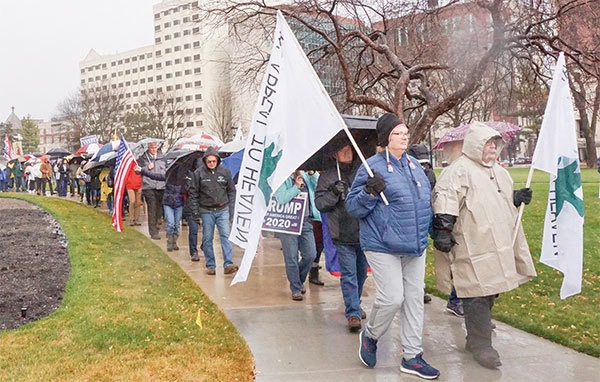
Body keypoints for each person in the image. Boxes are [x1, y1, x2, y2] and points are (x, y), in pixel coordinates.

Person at [431, 122, 537, 369]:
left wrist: (516, 197)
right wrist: (444, 230)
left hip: (498, 242)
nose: (491, 147)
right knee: (475, 292)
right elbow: (446, 199)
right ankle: (482, 345)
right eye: (487, 143)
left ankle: (475, 338)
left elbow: (497, 198)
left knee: (490, 290)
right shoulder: (458, 171)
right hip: (471, 242)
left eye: (494, 143)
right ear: (475, 144)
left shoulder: (499, 172)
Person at [346, 113, 440, 379]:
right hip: (382, 244)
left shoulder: (414, 165)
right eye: (398, 132)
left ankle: (412, 356)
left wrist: (434, 229)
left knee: (414, 301)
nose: (404, 136)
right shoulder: (370, 167)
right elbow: (353, 207)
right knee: (392, 298)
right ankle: (371, 335)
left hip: (414, 245)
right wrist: (369, 192)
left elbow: (423, 204)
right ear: (386, 138)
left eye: (405, 132)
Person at [315, 144, 368, 332]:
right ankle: (352, 312)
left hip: (363, 231)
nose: (346, 152)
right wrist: (334, 193)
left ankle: (356, 302)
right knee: (349, 275)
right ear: (334, 153)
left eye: (349, 148)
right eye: (342, 149)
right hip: (342, 233)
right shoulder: (327, 176)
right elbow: (320, 204)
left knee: (361, 273)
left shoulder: (364, 171)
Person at [188, 147, 238, 275]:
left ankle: (228, 263)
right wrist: (195, 213)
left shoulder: (225, 172)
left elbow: (231, 191)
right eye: (209, 161)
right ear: (205, 161)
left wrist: (232, 209)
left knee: (225, 237)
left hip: (223, 209)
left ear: (217, 161)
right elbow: (193, 194)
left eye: (214, 161)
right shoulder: (198, 174)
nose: (211, 164)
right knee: (207, 239)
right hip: (206, 210)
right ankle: (211, 265)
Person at [274, 170, 318, 301]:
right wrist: (296, 187)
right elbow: (281, 198)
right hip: (288, 222)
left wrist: (312, 174)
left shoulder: (305, 175)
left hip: (305, 221)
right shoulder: (281, 177)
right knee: (291, 257)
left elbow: (317, 186)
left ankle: (298, 279)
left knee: (311, 254)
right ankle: (296, 288)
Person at [138, 161, 186, 252]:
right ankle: (169, 241)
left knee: (176, 225)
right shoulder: (167, 177)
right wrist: (143, 171)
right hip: (168, 203)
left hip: (179, 204)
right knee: (170, 224)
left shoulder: (184, 179)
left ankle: (174, 241)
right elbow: (154, 176)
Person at [137, 142, 165, 240]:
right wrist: (146, 168)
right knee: (152, 208)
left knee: (159, 209)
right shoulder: (143, 158)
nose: (153, 149)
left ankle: (157, 224)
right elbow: (137, 170)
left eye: (155, 147)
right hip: (148, 186)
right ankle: (153, 232)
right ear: (148, 148)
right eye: (151, 147)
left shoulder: (163, 157)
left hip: (161, 186)